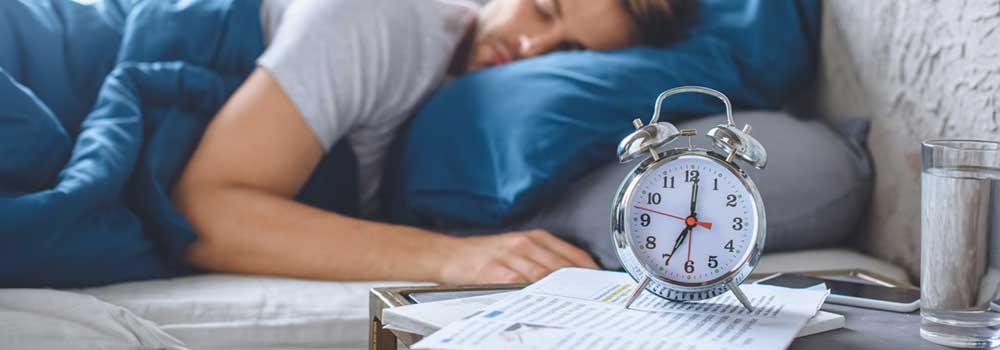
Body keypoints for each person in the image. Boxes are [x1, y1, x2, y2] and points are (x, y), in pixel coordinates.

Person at [172, 0, 696, 285]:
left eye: (569, 51)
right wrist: (451, 259)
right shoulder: (375, 19)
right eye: (541, 9)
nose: (532, 46)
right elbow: (204, 213)